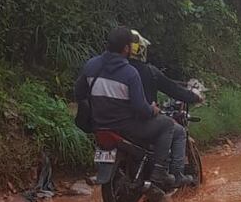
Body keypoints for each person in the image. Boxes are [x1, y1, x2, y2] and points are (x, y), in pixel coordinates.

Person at [74, 27, 179, 189]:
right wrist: (153, 109)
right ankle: (160, 172)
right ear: (126, 48)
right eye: (130, 45)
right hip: (125, 127)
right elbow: (140, 108)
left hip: (98, 125)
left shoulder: (91, 65)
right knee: (167, 125)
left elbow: (78, 93)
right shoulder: (130, 73)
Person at [128, 30, 203, 186]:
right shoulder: (149, 71)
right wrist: (194, 97)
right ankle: (174, 174)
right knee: (178, 131)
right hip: (142, 120)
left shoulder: (117, 69)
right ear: (140, 49)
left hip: (117, 121)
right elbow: (173, 89)